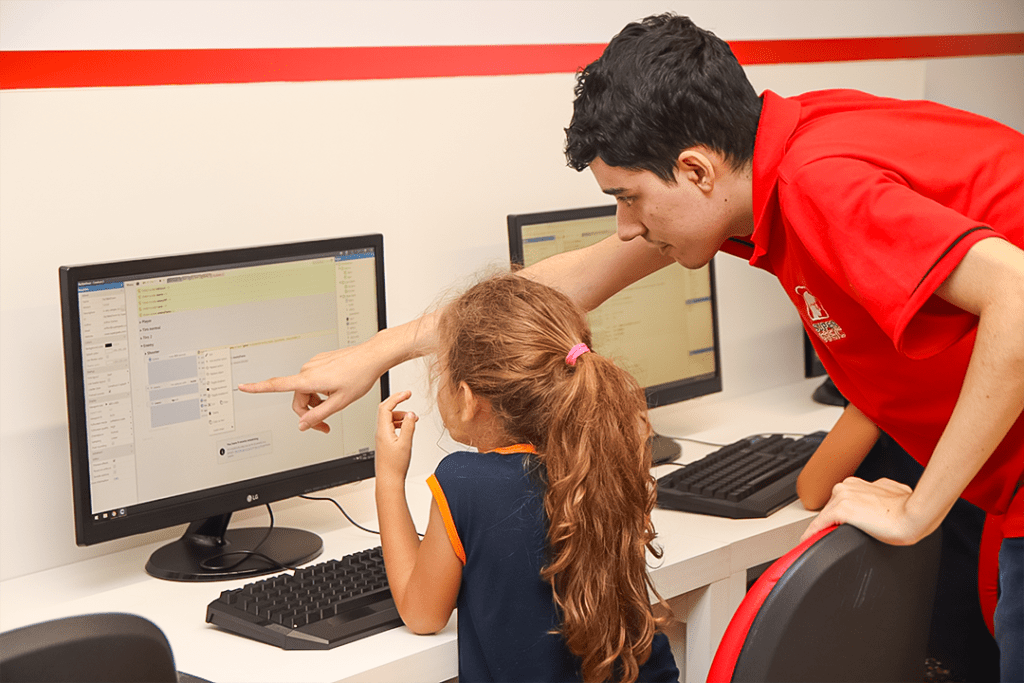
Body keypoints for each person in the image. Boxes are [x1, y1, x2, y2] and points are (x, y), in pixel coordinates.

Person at [241, 13, 1024, 680]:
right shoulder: (765, 167)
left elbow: (1017, 296)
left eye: (627, 198)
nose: (624, 228)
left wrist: (925, 505)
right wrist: (379, 352)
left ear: (694, 168)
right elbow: (570, 282)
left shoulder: (818, 182)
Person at [371, 273, 678, 683]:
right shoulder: (603, 460)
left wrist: (389, 478)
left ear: (466, 398)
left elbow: (421, 614)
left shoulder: (466, 482)